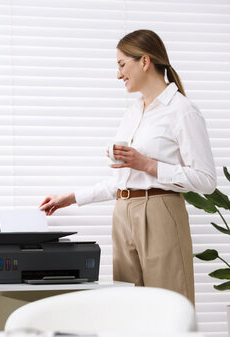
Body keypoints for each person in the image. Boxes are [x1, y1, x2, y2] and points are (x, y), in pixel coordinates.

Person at [39, 30, 216, 304]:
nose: (119, 75)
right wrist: (72, 198)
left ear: (144, 61)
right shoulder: (133, 112)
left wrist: (147, 164)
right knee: (128, 305)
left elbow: (206, 180)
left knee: (168, 305)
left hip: (160, 211)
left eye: (122, 65)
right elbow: (122, 181)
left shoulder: (181, 110)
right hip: (123, 213)